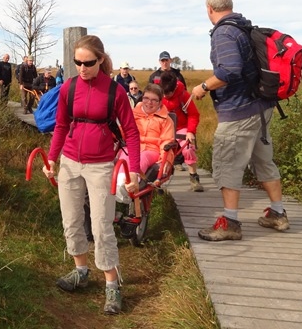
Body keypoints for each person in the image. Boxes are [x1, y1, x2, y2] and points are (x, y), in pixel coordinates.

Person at [42, 35, 141, 316]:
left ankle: (112, 285)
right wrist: (52, 158)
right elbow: (61, 125)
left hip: (101, 166)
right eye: (77, 63)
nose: (82, 68)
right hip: (70, 162)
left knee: (101, 226)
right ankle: (81, 271)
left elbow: (131, 132)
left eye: (88, 63)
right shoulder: (69, 88)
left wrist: (133, 169)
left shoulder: (115, 91)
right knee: (71, 220)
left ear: (100, 60)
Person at [190, 0, 289, 241]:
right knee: (264, 161)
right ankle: (277, 213)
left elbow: (230, 70)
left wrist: (202, 87)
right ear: (230, 5)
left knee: (226, 164)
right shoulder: (244, 27)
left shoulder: (223, 32)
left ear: (209, 8)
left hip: (239, 112)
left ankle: (230, 222)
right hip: (261, 109)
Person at [115, 83, 176, 217]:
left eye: (154, 100)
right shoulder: (132, 114)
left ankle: (130, 184)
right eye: (146, 98)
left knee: (142, 158)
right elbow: (123, 133)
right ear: (142, 98)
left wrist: (165, 161)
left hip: (151, 149)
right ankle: (120, 183)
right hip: (130, 146)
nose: (149, 102)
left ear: (160, 102)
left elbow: (167, 141)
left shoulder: (166, 120)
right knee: (123, 156)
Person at [159, 71, 203, 192]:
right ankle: (157, 180)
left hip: (181, 127)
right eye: (163, 92)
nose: (165, 96)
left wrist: (190, 132)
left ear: (174, 89)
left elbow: (193, 115)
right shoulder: (157, 94)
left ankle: (194, 177)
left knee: (189, 148)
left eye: (168, 93)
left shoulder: (184, 95)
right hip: (164, 128)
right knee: (158, 150)